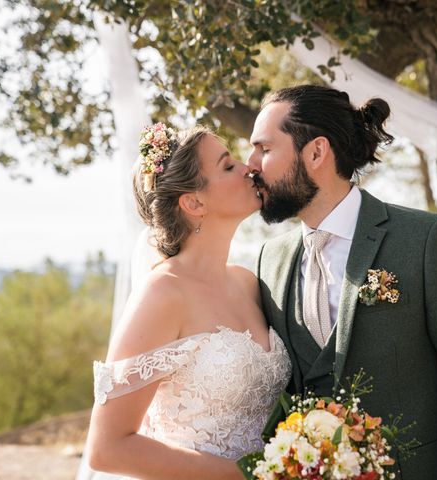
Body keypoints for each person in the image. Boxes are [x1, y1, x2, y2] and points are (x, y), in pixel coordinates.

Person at [247, 85, 437, 480]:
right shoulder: (271, 261)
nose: (250, 164)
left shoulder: (429, 240)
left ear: (316, 152)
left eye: (264, 149)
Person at [85, 123, 291, 479]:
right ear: (194, 202)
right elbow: (108, 449)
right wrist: (245, 476)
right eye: (228, 166)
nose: (249, 168)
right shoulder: (163, 293)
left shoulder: (246, 282)